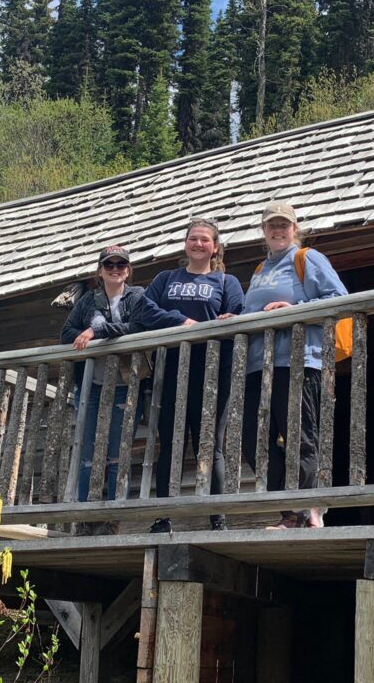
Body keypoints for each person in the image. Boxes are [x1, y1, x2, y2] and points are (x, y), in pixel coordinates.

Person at [241, 202, 347, 529]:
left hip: (297, 361)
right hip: (258, 365)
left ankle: (299, 512)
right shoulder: (260, 269)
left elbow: (339, 298)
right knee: (253, 440)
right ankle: (294, 505)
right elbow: (254, 311)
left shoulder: (306, 258)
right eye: (271, 225)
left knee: (300, 437)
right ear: (263, 231)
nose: (278, 230)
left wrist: (295, 308)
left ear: (294, 228)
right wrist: (238, 318)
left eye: (283, 225)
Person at [139, 218, 244, 533]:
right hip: (171, 367)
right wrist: (181, 321)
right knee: (170, 442)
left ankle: (217, 519)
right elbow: (144, 310)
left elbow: (237, 314)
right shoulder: (166, 278)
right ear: (185, 244)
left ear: (215, 247)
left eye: (204, 240)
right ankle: (164, 517)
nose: (198, 244)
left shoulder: (226, 281)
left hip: (213, 370)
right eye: (193, 239)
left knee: (209, 443)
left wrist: (220, 323)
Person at [60, 245, 147, 534]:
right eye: (109, 265)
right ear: (100, 271)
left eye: (121, 265)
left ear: (128, 271)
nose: (115, 269)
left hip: (126, 385)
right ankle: (86, 516)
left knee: (118, 451)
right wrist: (86, 334)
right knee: (87, 450)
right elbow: (66, 333)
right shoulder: (88, 300)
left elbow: (138, 327)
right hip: (91, 385)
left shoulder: (137, 296)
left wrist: (96, 332)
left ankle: (113, 515)